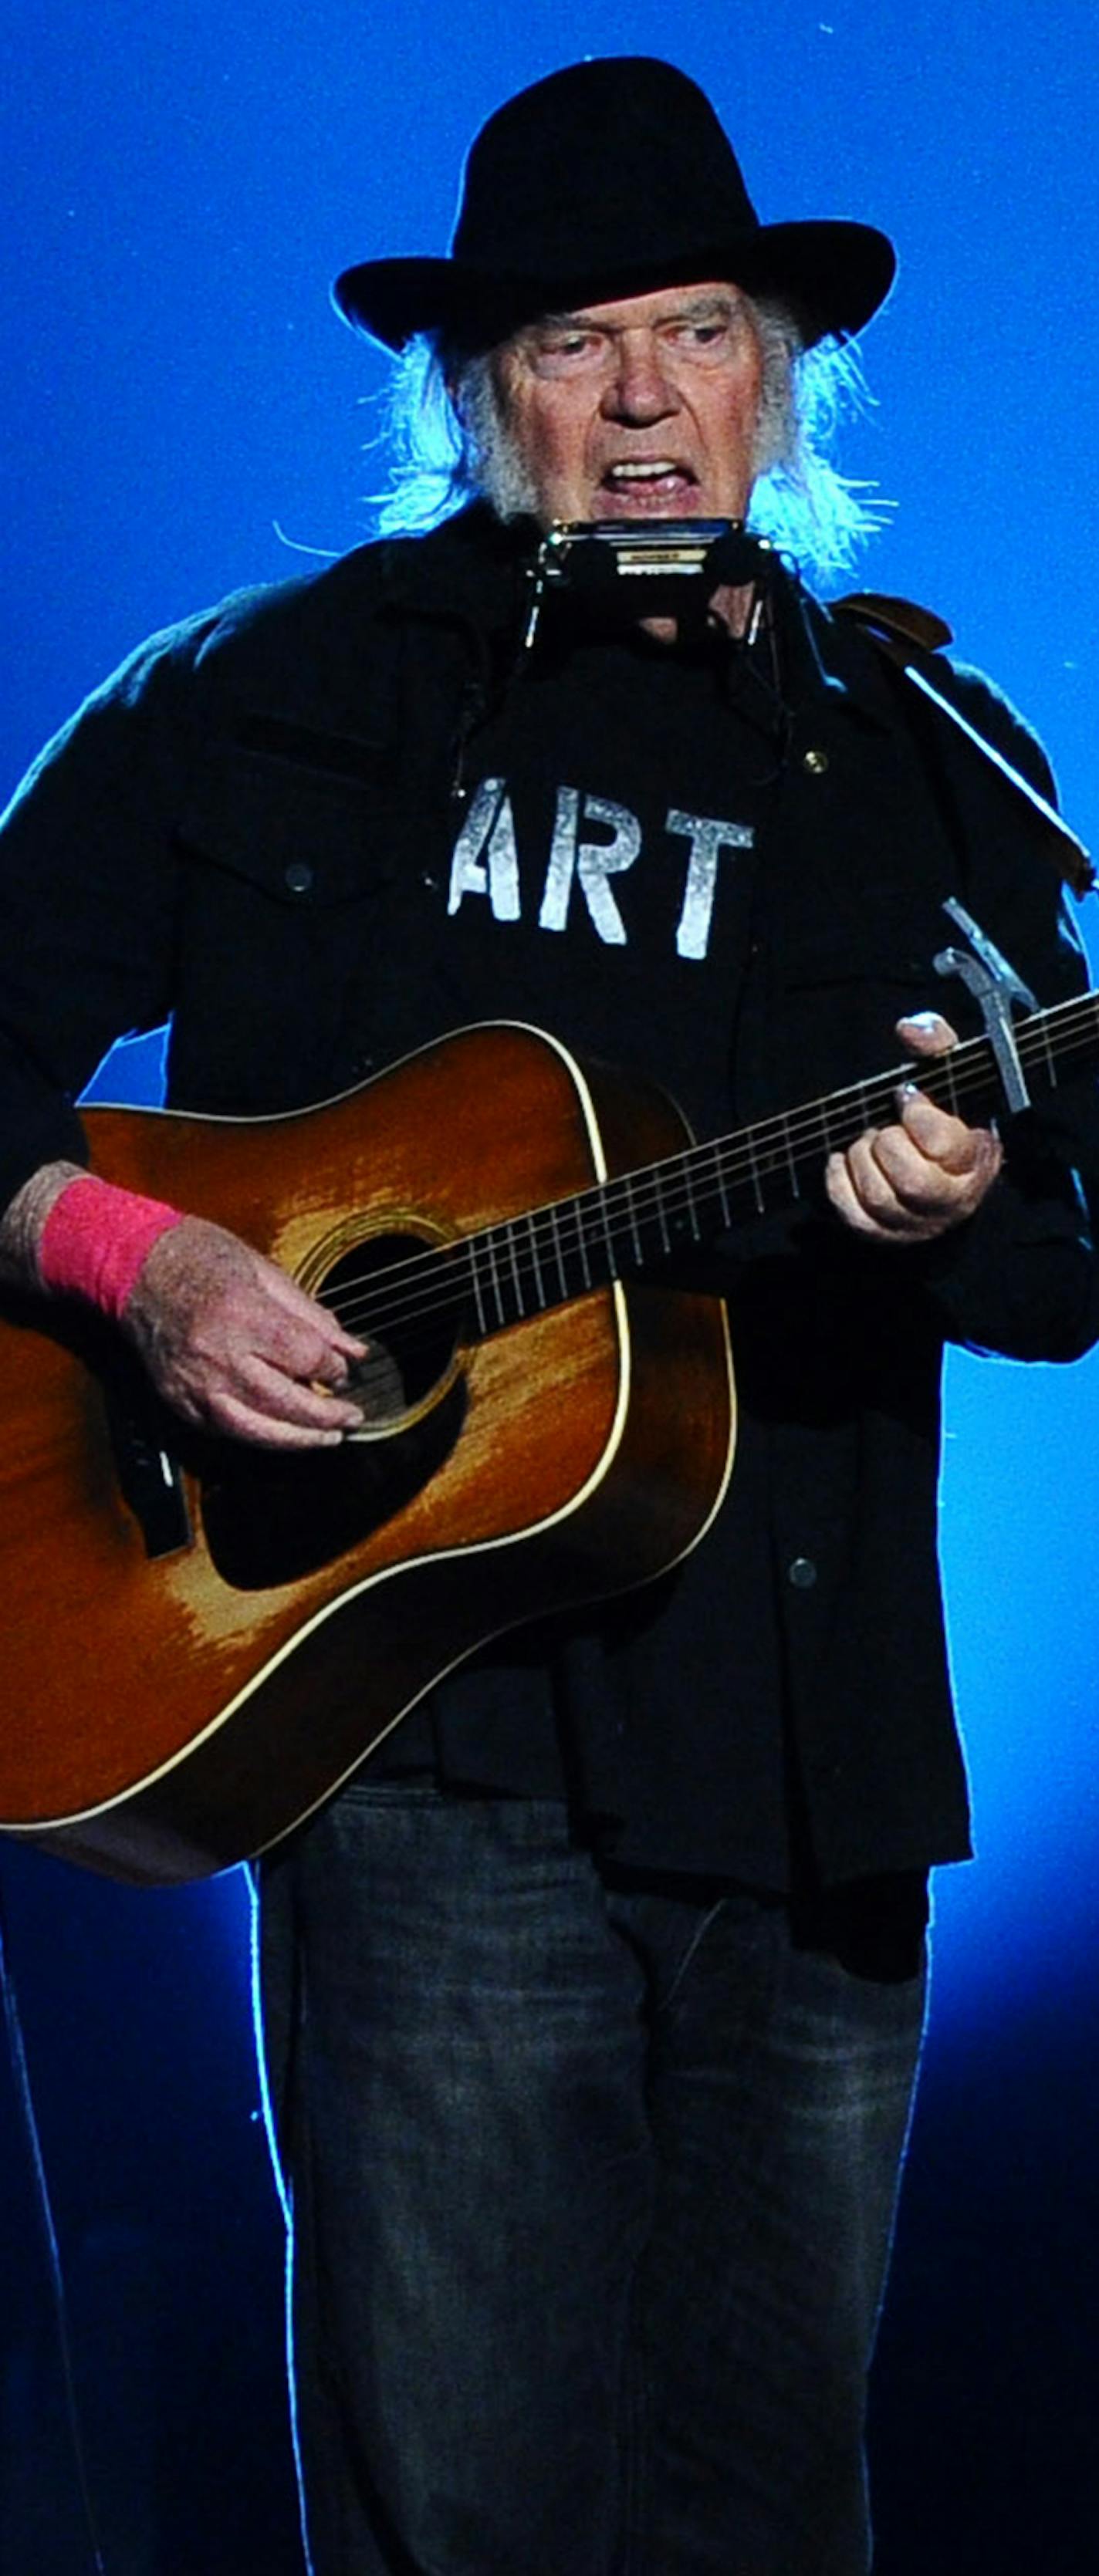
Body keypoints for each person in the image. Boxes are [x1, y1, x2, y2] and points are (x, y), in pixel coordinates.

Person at [1, 53, 1097, 2576]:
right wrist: (133, 1263)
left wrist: (958, 1195)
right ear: (475, 392)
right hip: (416, 1754)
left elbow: (1065, 1259)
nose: (638, 402)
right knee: (467, 2512)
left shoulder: (923, 759)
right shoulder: (265, 697)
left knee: (765, 2510)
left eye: (694, 332)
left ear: (778, 372)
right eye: (573, 346)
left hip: (810, 1778)